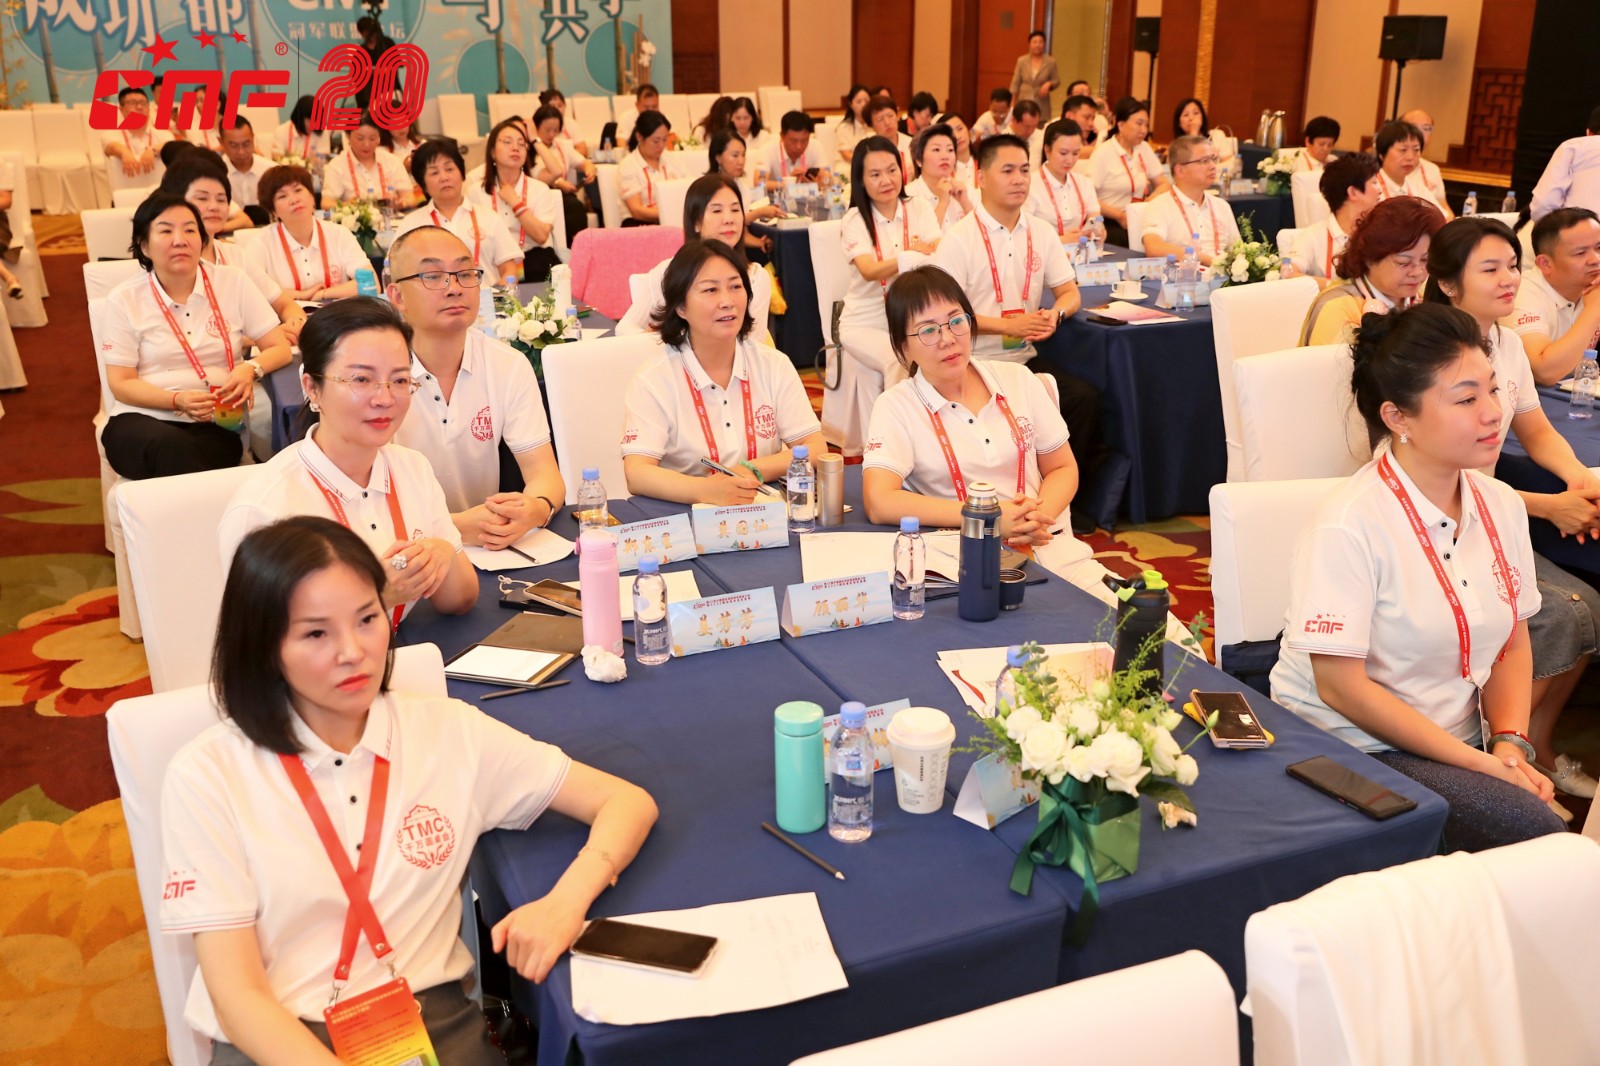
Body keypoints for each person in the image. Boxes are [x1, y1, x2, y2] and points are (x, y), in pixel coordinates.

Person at [164, 513, 656, 1062]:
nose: (353, 651)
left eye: (367, 618)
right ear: (263, 646)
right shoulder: (207, 776)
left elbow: (625, 802)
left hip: (426, 1019)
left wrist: (565, 903)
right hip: (275, 1035)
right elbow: (238, 997)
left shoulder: (447, 733)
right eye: (316, 633)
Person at [1271, 303, 1566, 851]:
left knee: (1536, 835)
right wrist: (1480, 765)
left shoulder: (1500, 503)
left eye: (1494, 390)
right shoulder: (1348, 524)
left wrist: (1509, 743)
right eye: (1466, 399)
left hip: (1460, 744)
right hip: (1354, 748)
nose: (1493, 413)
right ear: (1398, 417)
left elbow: (1511, 639)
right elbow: (1340, 686)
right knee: (1538, 837)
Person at [1426, 216, 1600, 802]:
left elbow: (1538, 430)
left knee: (1587, 607)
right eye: (1490, 269)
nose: (1509, 279)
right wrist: (1550, 508)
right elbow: (1447, 475)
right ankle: (1486, 756)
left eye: (1512, 266)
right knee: (1562, 614)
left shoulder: (1503, 343)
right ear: (1448, 283)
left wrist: (1580, 482)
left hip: (1491, 516)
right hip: (1440, 524)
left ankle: (1532, 746)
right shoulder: (1431, 350)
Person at [218, 297, 477, 619]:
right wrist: (375, 595)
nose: (384, 398)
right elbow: (260, 640)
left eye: (399, 380)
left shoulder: (412, 468)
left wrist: (442, 552)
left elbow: (460, 600)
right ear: (312, 388)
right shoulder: (265, 511)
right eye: (361, 379)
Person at [864, 265, 1110, 590]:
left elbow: (1062, 467)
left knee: (1141, 619)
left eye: (956, 321)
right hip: (963, 564)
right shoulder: (897, 405)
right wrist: (985, 517)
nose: (948, 339)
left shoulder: (1017, 379)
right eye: (928, 330)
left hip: (1050, 548)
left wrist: (1034, 519)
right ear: (904, 347)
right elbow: (879, 501)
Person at [933, 134, 1105, 482]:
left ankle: (1066, 495)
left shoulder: (1040, 232)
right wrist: (1008, 326)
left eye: (1025, 171)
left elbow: (1069, 292)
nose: (1019, 180)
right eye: (1008, 170)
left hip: (1022, 359)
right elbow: (945, 318)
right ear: (981, 178)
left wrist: (1056, 314)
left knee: (1084, 399)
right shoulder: (959, 239)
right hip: (971, 360)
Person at [384, 226, 568, 549]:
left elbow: (544, 474)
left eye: (465, 274)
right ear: (397, 296)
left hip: (490, 545)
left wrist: (536, 508)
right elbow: (358, 508)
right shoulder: (375, 374)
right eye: (433, 276)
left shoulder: (507, 364)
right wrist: (453, 528)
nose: (454, 288)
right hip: (402, 549)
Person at [100, 193, 292, 480]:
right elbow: (121, 383)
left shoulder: (232, 281)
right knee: (167, 446)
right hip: (140, 420)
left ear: (202, 241)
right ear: (144, 245)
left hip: (214, 421)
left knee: (184, 453)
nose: (180, 240)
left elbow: (280, 348)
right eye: (166, 231)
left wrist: (250, 368)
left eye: (190, 230)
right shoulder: (124, 299)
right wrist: (176, 400)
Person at [621, 240, 826, 505]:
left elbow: (816, 448)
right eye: (710, 290)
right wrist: (706, 490)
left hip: (764, 509)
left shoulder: (773, 364)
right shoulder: (654, 379)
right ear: (681, 307)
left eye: (735, 287)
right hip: (688, 512)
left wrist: (753, 469)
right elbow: (637, 473)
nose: (727, 301)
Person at [830, 136, 942, 451]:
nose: (886, 180)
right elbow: (869, 270)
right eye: (875, 174)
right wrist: (912, 254)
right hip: (864, 324)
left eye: (892, 170)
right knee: (899, 358)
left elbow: (938, 248)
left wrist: (915, 254)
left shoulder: (918, 206)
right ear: (861, 180)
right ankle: (897, 443)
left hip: (911, 317)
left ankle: (931, 436)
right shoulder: (854, 220)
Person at [619, 174, 775, 338]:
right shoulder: (670, 271)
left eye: (735, 209)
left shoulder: (755, 277)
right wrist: (655, 339)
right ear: (696, 223)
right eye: (717, 210)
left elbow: (753, 344)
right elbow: (624, 328)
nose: (729, 219)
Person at [1300, 196, 1445, 345]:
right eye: (1403, 262)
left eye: (1425, 260)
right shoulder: (1337, 309)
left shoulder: (1425, 296)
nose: (1418, 272)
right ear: (1369, 257)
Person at [245, 166, 369, 307]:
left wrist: (323, 294)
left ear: (312, 197)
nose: (294, 200)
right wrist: (302, 295)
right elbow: (252, 293)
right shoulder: (260, 243)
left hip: (339, 316)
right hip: (288, 318)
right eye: (282, 196)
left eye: (298, 190)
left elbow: (370, 284)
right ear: (273, 211)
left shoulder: (338, 233)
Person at [396, 141, 522, 278]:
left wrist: (498, 292)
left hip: (486, 291)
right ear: (422, 184)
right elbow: (396, 271)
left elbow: (509, 270)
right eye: (434, 173)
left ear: (462, 174)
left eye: (449, 169)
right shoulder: (411, 224)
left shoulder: (490, 218)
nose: (444, 178)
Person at [1508, 207, 1600, 383]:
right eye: (1580, 253)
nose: (1596, 259)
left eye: (1599, 247)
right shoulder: (1522, 293)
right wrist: (1594, 309)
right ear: (1545, 263)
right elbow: (1543, 372)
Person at [466, 118, 558, 283]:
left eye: (521, 144)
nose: (515, 147)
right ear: (492, 152)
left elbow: (541, 236)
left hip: (534, 263)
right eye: (507, 142)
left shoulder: (539, 189)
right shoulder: (476, 191)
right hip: (492, 264)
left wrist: (516, 203)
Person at [1281, 151, 1383, 282]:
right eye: (1374, 182)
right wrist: (1334, 288)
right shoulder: (1313, 236)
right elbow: (1287, 272)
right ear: (1353, 192)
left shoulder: (1382, 232)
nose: (1380, 190)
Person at [1140, 134, 1240, 265]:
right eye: (1204, 161)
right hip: (1186, 274)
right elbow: (1153, 248)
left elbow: (1238, 250)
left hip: (1223, 275)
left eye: (1213, 159)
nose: (1213, 166)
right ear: (1180, 170)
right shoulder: (1159, 206)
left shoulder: (1222, 206)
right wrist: (1204, 259)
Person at [1085, 97, 1169, 247]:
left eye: (1146, 125)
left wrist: (1148, 202)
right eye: (1139, 123)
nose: (1144, 130)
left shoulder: (1144, 148)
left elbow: (1164, 184)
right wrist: (1120, 216)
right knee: (1134, 242)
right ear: (1121, 124)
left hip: (1138, 217)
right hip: (1110, 220)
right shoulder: (1103, 153)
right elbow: (1087, 196)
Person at [319, 112, 417, 209]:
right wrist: (347, 206)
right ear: (348, 137)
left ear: (379, 138)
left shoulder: (392, 161)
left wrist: (402, 203)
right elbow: (326, 203)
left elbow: (410, 198)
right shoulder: (336, 166)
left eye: (372, 139)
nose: (366, 144)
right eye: (360, 138)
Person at [530, 104, 596, 245]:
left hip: (564, 195)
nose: (551, 135)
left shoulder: (563, 145)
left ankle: (579, 246)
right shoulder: (530, 149)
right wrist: (559, 183)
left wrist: (589, 170)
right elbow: (536, 174)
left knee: (574, 205)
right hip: (541, 194)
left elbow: (584, 162)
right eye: (547, 130)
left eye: (555, 130)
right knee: (573, 206)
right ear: (536, 127)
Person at [1027, 119, 1100, 245]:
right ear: (1047, 150)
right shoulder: (1030, 185)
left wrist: (1097, 230)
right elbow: (1023, 233)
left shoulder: (1084, 183)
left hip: (1080, 250)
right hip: (1043, 251)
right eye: (1063, 153)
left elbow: (1095, 217)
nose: (1070, 160)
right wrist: (1061, 240)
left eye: (1076, 153)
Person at [1531, 105, 1600, 220]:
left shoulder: (1574, 147)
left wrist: (1547, 226)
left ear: (1588, 132)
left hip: (1577, 227)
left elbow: (1544, 203)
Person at [1374, 119, 1450, 217]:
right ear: (1381, 154)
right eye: (1403, 150)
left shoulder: (1418, 187)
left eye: (1416, 150)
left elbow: (1442, 217)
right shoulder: (1370, 186)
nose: (1410, 157)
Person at [904, 124, 970, 232]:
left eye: (950, 150)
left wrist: (965, 203)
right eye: (936, 149)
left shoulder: (963, 190)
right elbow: (919, 239)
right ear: (919, 160)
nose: (945, 156)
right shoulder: (908, 196)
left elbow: (983, 235)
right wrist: (942, 203)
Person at [102, 86, 172, 177]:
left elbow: (171, 145)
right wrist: (124, 152)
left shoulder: (163, 134)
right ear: (121, 109)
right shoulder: (110, 134)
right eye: (132, 103)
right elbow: (111, 147)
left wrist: (153, 150)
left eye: (143, 103)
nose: (139, 107)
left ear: (149, 109)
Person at [617, 111, 672, 225]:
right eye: (656, 141)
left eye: (664, 140)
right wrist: (671, 213)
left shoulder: (671, 159)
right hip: (639, 224)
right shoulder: (628, 165)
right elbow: (636, 211)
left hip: (670, 219)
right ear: (639, 137)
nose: (661, 145)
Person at [1399, 108, 1452, 214]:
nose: (1420, 133)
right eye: (1413, 127)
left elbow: (1444, 208)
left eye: (1426, 128)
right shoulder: (1387, 168)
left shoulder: (1432, 169)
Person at [763, 111, 832, 191]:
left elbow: (828, 180)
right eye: (793, 141)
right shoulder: (768, 149)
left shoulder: (815, 146)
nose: (799, 146)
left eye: (804, 141)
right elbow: (760, 183)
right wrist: (790, 183)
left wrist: (818, 183)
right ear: (782, 136)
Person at [219, 118, 274, 213]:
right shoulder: (215, 172)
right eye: (234, 146)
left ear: (253, 138)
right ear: (221, 142)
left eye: (246, 144)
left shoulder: (270, 170)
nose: (241, 152)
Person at [1010, 30, 1060, 119]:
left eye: (1040, 42)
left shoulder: (1050, 61)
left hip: (1042, 102)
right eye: (1034, 42)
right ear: (1029, 44)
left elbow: (1056, 80)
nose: (1037, 45)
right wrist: (1012, 103)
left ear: (1044, 44)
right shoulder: (1021, 61)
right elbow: (1015, 82)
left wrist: (1049, 84)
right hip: (1024, 99)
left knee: (1041, 123)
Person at [866, 96, 915, 184]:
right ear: (871, 126)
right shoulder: (866, 148)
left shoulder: (912, 144)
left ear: (897, 116)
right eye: (880, 119)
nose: (887, 122)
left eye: (890, 116)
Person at [354, 13, 396, 108]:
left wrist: (374, 71)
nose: (370, 36)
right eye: (365, 33)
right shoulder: (360, 52)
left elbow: (394, 66)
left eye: (371, 32)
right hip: (368, 97)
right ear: (362, 33)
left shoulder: (387, 44)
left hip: (389, 92)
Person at [276, 96, 332, 165]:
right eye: (311, 121)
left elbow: (323, 159)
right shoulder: (281, 131)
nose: (314, 125)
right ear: (300, 117)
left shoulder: (322, 131)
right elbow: (277, 159)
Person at [539, 88, 592, 157]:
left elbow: (583, 150)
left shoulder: (570, 123)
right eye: (553, 106)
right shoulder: (537, 125)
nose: (557, 109)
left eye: (560, 106)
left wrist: (562, 157)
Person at [615, 83, 662, 150]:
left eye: (654, 107)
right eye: (646, 107)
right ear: (637, 105)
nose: (651, 111)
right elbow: (621, 144)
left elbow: (671, 142)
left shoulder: (662, 119)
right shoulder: (626, 118)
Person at [938, 111, 977, 188]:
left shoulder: (985, 163)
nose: (957, 136)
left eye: (959, 129)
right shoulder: (941, 172)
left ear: (968, 129)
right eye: (950, 134)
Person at [1059, 94, 1101, 165]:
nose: (1091, 123)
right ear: (1069, 116)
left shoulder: (1085, 141)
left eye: (1093, 119)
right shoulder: (1058, 135)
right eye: (1086, 117)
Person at [728, 97, 771, 166]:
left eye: (746, 118)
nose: (742, 122)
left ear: (753, 118)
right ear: (731, 118)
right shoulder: (727, 137)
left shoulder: (763, 136)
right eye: (738, 118)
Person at [836, 84, 873, 163]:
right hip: (850, 166)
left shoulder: (874, 125)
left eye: (866, 101)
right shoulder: (844, 127)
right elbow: (846, 155)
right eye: (859, 102)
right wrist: (868, 162)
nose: (863, 105)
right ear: (850, 104)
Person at [1008, 99, 1044, 167]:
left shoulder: (1042, 136)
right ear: (1014, 120)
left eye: (1034, 126)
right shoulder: (1002, 141)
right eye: (1027, 126)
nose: (1030, 131)